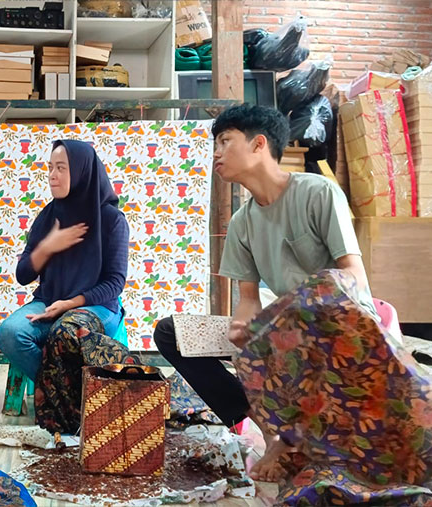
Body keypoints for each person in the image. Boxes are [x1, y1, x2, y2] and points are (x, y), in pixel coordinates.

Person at [153, 104, 376, 480]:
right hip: (282, 328)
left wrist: (294, 312)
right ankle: (271, 431)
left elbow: (354, 276)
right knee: (170, 332)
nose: (216, 153)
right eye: (215, 144)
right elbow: (249, 299)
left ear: (258, 144)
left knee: (283, 332)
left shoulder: (317, 192)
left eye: (225, 141)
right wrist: (243, 325)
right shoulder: (242, 222)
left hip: (338, 322)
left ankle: (295, 439)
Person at [0, 139, 129, 382]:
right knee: (9, 333)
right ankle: (64, 391)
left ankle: (59, 394)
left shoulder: (111, 220)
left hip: (97, 307)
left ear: (81, 172)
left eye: (61, 168)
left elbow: (115, 283)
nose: (52, 175)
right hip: (48, 302)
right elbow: (23, 275)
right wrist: (47, 247)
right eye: (50, 167)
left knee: (65, 330)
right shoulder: (48, 217)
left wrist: (70, 304)